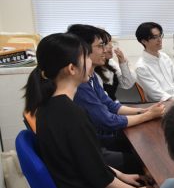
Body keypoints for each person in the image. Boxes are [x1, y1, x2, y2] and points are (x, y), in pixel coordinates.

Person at [23, 32, 157, 188]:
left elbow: (86, 161)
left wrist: (121, 175)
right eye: (86, 57)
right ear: (71, 69)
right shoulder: (72, 115)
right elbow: (98, 176)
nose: (91, 61)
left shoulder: (48, 106)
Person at [68, 24, 165, 164]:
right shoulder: (81, 84)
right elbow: (107, 120)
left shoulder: (91, 76)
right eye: (101, 45)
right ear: (83, 50)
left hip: (100, 135)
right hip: (94, 145)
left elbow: (110, 104)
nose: (106, 49)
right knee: (148, 157)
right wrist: (147, 115)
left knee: (150, 144)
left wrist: (144, 111)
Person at [135, 22, 174, 101]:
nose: (159, 40)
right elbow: (159, 95)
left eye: (160, 35)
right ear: (144, 41)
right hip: (163, 104)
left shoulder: (164, 57)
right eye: (154, 37)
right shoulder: (141, 67)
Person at [94, 28, 136, 101]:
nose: (111, 46)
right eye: (106, 43)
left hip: (113, 104)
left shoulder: (111, 62)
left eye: (110, 43)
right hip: (105, 105)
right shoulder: (92, 69)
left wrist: (123, 63)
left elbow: (127, 84)